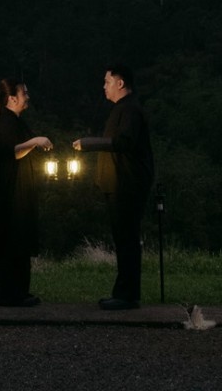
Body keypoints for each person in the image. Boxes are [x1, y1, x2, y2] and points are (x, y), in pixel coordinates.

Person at [72, 64, 154, 310]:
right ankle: (123, 292)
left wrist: (90, 144)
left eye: (107, 81)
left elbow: (124, 142)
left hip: (127, 184)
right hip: (119, 183)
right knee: (123, 238)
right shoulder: (122, 109)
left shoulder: (130, 110)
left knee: (127, 238)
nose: (104, 86)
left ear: (120, 83)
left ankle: (127, 295)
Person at [0, 78, 52, 307]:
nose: (27, 97)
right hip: (10, 190)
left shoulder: (15, 121)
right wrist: (35, 141)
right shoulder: (5, 121)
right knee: (11, 238)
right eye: (24, 94)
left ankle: (20, 292)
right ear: (12, 98)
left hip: (19, 187)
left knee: (20, 237)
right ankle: (10, 294)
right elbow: (11, 150)